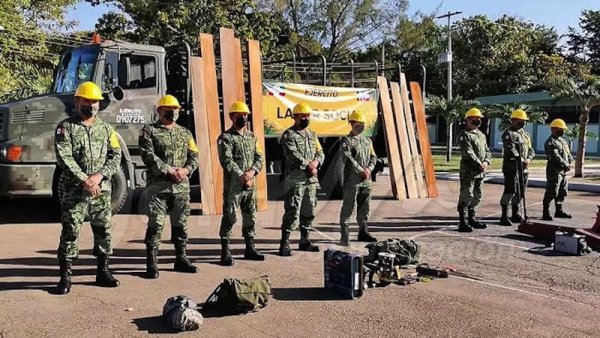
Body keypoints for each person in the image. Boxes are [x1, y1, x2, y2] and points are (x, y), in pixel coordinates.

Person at [54, 81, 122, 294]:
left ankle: (103, 271)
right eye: (87, 101)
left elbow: (116, 155)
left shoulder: (107, 129)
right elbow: (64, 157)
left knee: (103, 230)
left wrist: (99, 176)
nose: (92, 105)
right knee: (71, 231)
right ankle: (65, 278)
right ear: (77, 101)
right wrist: (85, 179)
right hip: (75, 189)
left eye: (95, 102)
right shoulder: (66, 128)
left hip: (101, 190)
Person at [139, 94, 199, 279]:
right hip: (159, 188)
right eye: (168, 110)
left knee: (181, 224)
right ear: (159, 111)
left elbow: (194, 155)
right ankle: (152, 263)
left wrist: (186, 170)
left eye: (175, 110)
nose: (172, 113)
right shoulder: (149, 131)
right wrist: (169, 170)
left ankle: (181, 258)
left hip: (181, 187)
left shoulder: (185, 133)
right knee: (156, 224)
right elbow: (147, 155)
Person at [217, 101, 265, 266]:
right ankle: (225, 251)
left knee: (250, 215)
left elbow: (259, 157)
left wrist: (252, 173)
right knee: (230, 216)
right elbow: (226, 161)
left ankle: (250, 248)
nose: (243, 118)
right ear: (231, 117)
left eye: (245, 115)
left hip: (250, 184)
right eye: (239, 115)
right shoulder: (226, 138)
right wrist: (241, 175)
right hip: (234, 186)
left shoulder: (252, 137)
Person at [278, 102, 324, 256]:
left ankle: (305, 240)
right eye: (302, 116)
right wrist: (309, 165)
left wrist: (316, 162)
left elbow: (320, 152)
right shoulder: (288, 134)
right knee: (292, 211)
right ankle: (284, 243)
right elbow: (292, 154)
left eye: (308, 116)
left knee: (309, 210)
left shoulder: (312, 134)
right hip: (295, 181)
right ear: (295, 117)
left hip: (310, 181)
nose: (305, 118)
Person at [338, 111, 377, 246]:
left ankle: (363, 232)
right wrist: (361, 170)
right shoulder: (347, 141)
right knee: (348, 207)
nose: (360, 127)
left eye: (362, 124)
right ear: (352, 124)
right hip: (352, 181)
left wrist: (369, 169)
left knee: (364, 207)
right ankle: (345, 235)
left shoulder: (367, 140)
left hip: (366, 181)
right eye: (357, 124)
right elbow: (348, 158)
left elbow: (373, 157)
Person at [457, 108, 491, 232]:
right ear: (467, 120)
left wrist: (486, 162)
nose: (477, 121)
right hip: (469, 171)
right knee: (467, 194)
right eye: (474, 119)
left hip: (480, 172)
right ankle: (463, 222)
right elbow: (468, 152)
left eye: (479, 119)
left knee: (477, 195)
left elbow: (487, 151)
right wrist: (479, 163)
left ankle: (472, 218)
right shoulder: (464, 134)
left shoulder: (481, 135)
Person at [499, 109, 535, 226]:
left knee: (521, 192)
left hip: (523, 168)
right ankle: (504, 215)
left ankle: (515, 213)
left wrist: (528, 159)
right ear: (513, 120)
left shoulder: (526, 135)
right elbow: (511, 148)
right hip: (511, 167)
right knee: (510, 190)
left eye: (524, 121)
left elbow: (531, 150)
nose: (522, 123)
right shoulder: (508, 133)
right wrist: (520, 159)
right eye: (520, 121)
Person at [542, 118, 574, 220]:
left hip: (563, 171)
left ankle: (559, 211)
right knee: (552, 191)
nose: (562, 131)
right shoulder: (551, 142)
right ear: (553, 129)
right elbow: (555, 156)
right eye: (560, 129)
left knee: (562, 191)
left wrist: (570, 162)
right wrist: (565, 164)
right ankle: (545, 212)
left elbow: (567, 153)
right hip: (554, 171)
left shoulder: (563, 141)